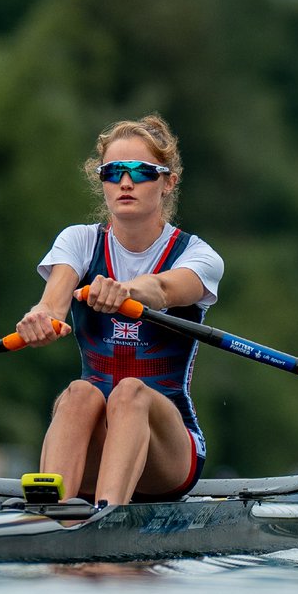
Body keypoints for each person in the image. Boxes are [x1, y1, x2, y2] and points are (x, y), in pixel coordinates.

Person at [16, 114, 224, 507]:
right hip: (96, 446)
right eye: (112, 172)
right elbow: (53, 302)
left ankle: (108, 514)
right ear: (102, 181)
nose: (125, 183)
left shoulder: (198, 255)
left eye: (141, 172)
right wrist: (41, 318)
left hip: (170, 454)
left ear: (168, 182)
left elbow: (163, 289)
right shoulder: (78, 241)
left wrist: (124, 291)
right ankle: (49, 512)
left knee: (130, 393)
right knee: (79, 392)